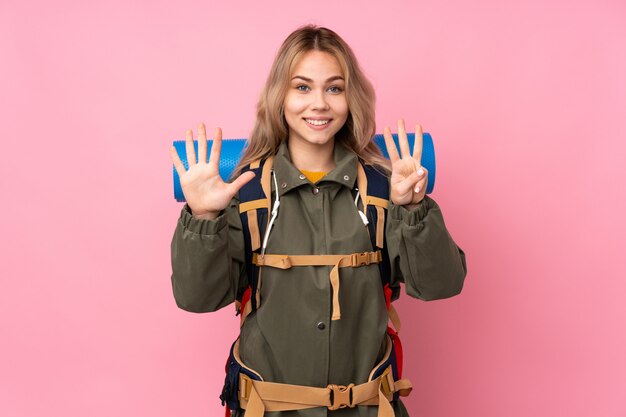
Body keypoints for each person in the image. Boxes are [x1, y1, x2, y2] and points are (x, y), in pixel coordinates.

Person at [169, 25, 467, 417]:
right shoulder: (246, 193)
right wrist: (204, 216)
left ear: (350, 98)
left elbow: (442, 284)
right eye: (303, 87)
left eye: (334, 88)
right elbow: (197, 298)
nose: (320, 104)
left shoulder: (384, 189)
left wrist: (413, 210)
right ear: (280, 97)